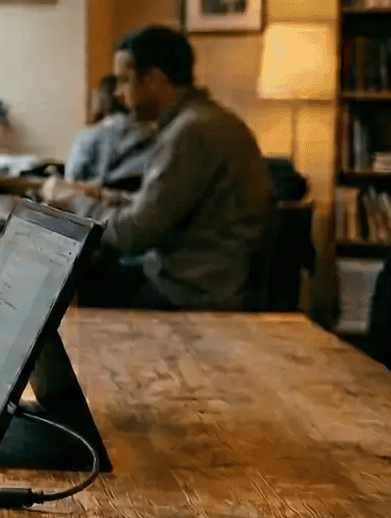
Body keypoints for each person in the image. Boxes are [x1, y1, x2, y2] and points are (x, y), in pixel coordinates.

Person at [40, 26, 272, 309]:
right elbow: (157, 208)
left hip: (190, 292)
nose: (118, 94)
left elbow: (134, 234)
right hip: (201, 279)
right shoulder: (203, 121)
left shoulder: (191, 133)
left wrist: (71, 201)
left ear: (153, 80)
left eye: (124, 81)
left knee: (59, 285)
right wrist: (97, 196)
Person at [64, 74, 154, 188]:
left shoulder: (85, 139)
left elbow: (70, 182)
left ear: (100, 98)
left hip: (91, 200)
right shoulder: (150, 134)